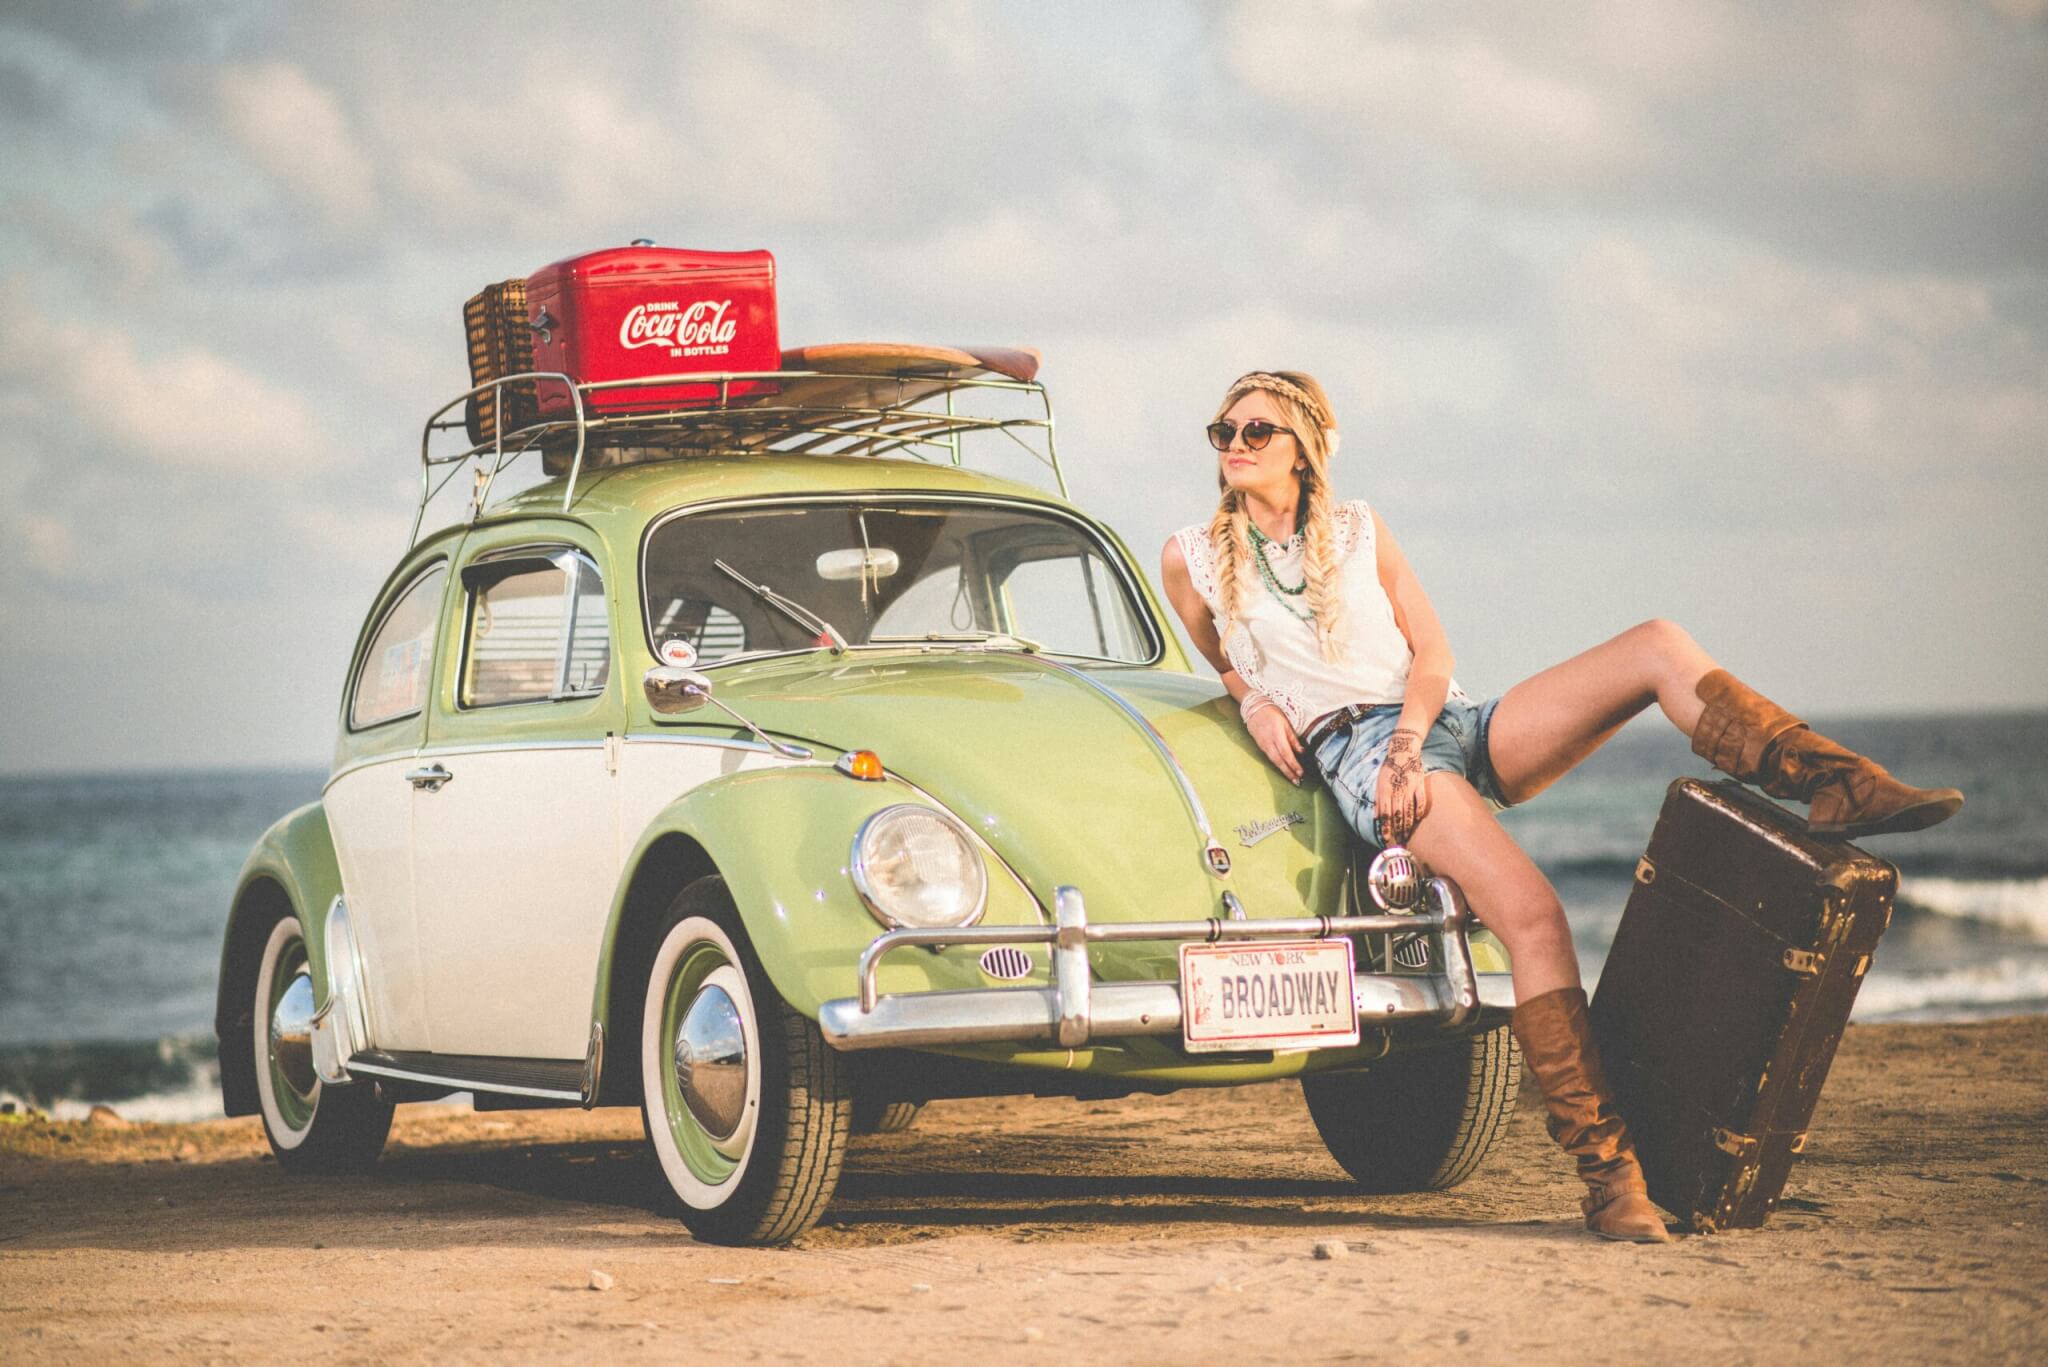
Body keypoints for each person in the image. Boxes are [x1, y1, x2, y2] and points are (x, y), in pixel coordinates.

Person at [1160, 369, 1962, 1243]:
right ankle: (1610, 1177)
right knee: (1535, 917)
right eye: (1224, 431)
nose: (1234, 445)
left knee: (1656, 645)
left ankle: (1831, 779)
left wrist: (1414, 736)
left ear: (1305, 452)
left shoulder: (1359, 530)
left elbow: (1430, 651)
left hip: (1441, 725)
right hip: (1362, 756)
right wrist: (1254, 700)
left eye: (1256, 431)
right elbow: (1227, 658)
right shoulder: (1192, 556)